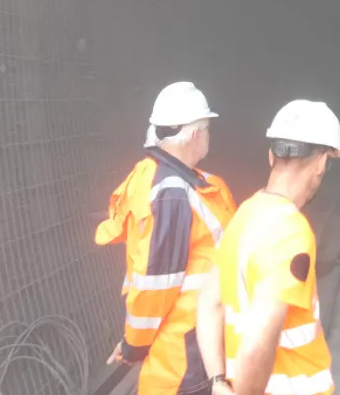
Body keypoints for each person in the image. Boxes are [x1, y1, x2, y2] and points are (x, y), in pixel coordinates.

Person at [96, 82, 237, 394]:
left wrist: (134, 341)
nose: (209, 136)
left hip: (187, 338)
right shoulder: (173, 193)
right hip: (187, 348)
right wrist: (134, 345)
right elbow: (156, 283)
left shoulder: (153, 175)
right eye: (207, 128)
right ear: (195, 134)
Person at [196, 100, 340, 395]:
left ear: (270, 156)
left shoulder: (244, 214)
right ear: (321, 163)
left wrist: (218, 381)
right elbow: (257, 343)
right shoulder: (290, 232)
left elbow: (209, 304)